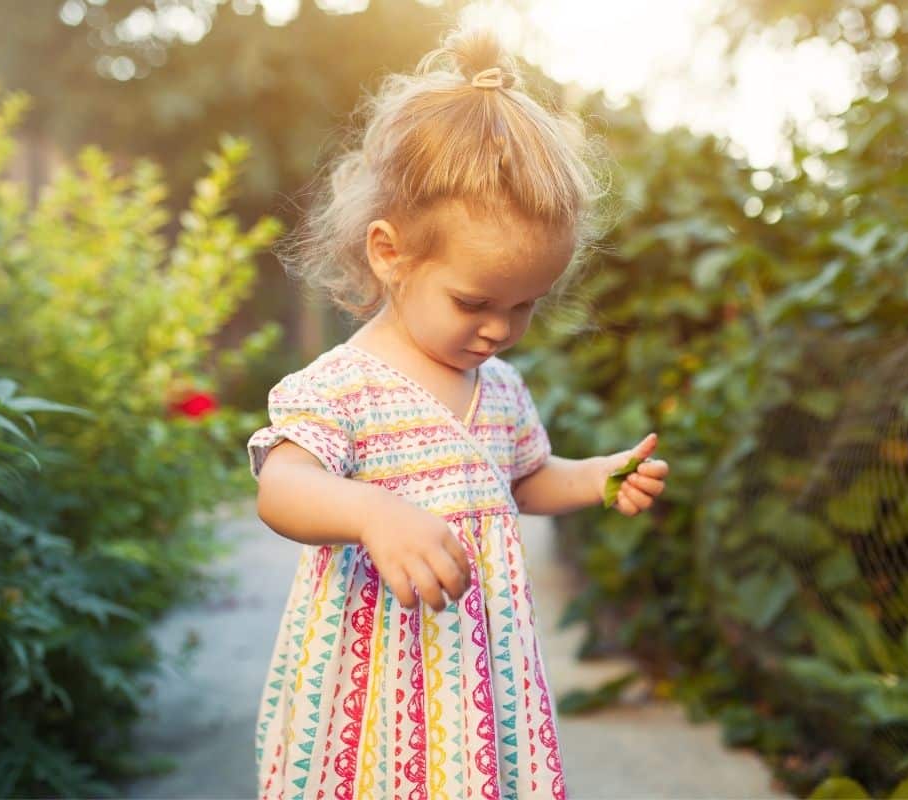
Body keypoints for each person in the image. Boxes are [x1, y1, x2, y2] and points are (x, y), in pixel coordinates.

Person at [247, 24, 669, 800]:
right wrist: (372, 512)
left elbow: (522, 480)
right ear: (389, 252)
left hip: (478, 681)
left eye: (525, 305)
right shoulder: (344, 386)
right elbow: (282, 487)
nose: (500, 329)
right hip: (373, 690)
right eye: (474, 302)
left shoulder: (498, 387)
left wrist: (592, 478)